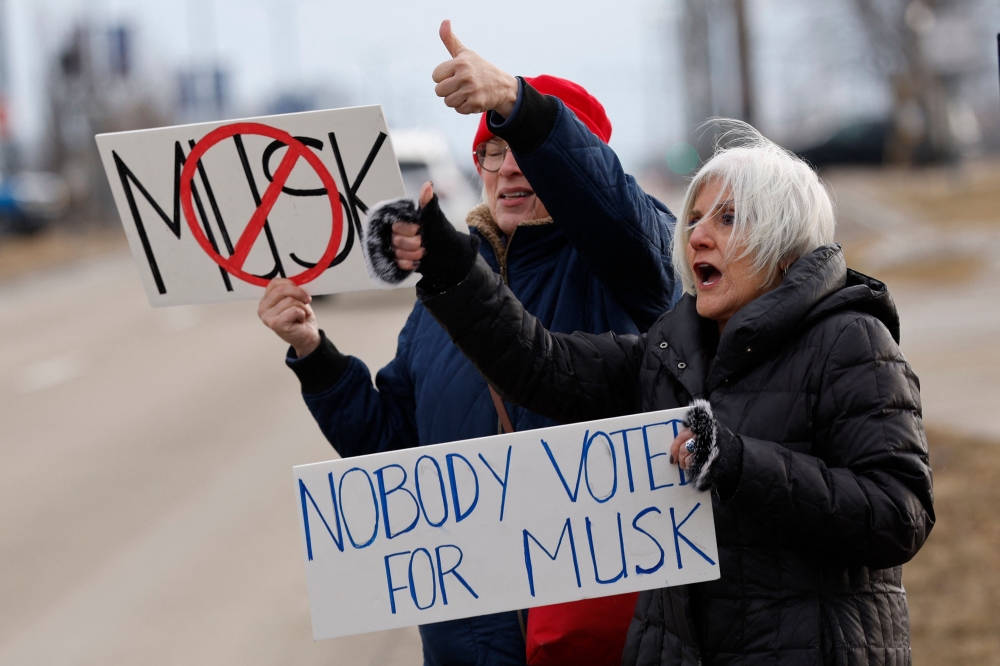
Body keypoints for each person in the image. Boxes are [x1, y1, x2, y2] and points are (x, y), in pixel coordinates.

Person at [401, 122, 935, 666]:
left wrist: (735, 462)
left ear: (786, 240)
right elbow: (542, 365)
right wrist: (451, 268)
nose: (698, 235)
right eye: (696, 218)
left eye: (728, 218)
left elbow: (899, 515)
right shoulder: (671, 347)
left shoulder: (850, 341)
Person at [258, 21, 681, 666]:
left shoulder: (629, 263)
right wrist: (315, 353)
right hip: (470, 641)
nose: (509, 167)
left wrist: (517, 104)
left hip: (599, 635)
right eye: (491, 151)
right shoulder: (446, 291)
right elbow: (397, 450)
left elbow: (610, 205)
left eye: (526, 152)